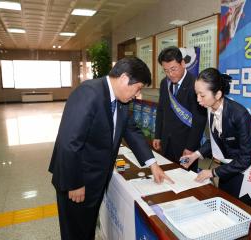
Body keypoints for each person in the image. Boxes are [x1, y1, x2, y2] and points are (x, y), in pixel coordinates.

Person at [49, 57, 172, 240]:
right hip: (77, 179)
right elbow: (69, 142)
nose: (138, 95)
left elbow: (130, 130)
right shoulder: (89, 93)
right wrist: (74, 183)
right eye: (138, 88)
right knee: (75, 233)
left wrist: (152, 164)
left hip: (96, 178)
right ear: (124, 78)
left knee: (86, 228)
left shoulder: (120, 99)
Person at [181, 68, 251, 206]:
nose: (198, 99)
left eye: (202, 95)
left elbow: (245, 158)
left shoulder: (239, 114)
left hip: (245, 167)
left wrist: (213, 172)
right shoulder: (210, 108)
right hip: (227, 162)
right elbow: (216, 140)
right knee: (224, 200)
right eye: (196, 94)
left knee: (239, 207)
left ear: (218, 94)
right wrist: (195, 155)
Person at [152, 46, 207, 171]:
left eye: (173, 69)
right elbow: (161, 110)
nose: (170, 74)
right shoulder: (164, 83)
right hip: (167, 142)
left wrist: (191, 147)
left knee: (186, 182)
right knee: (168, 175)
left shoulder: (195, 84)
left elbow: (199, 120)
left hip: (186, 145)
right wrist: (158, 135)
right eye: (166, 70)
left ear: (182, 63)